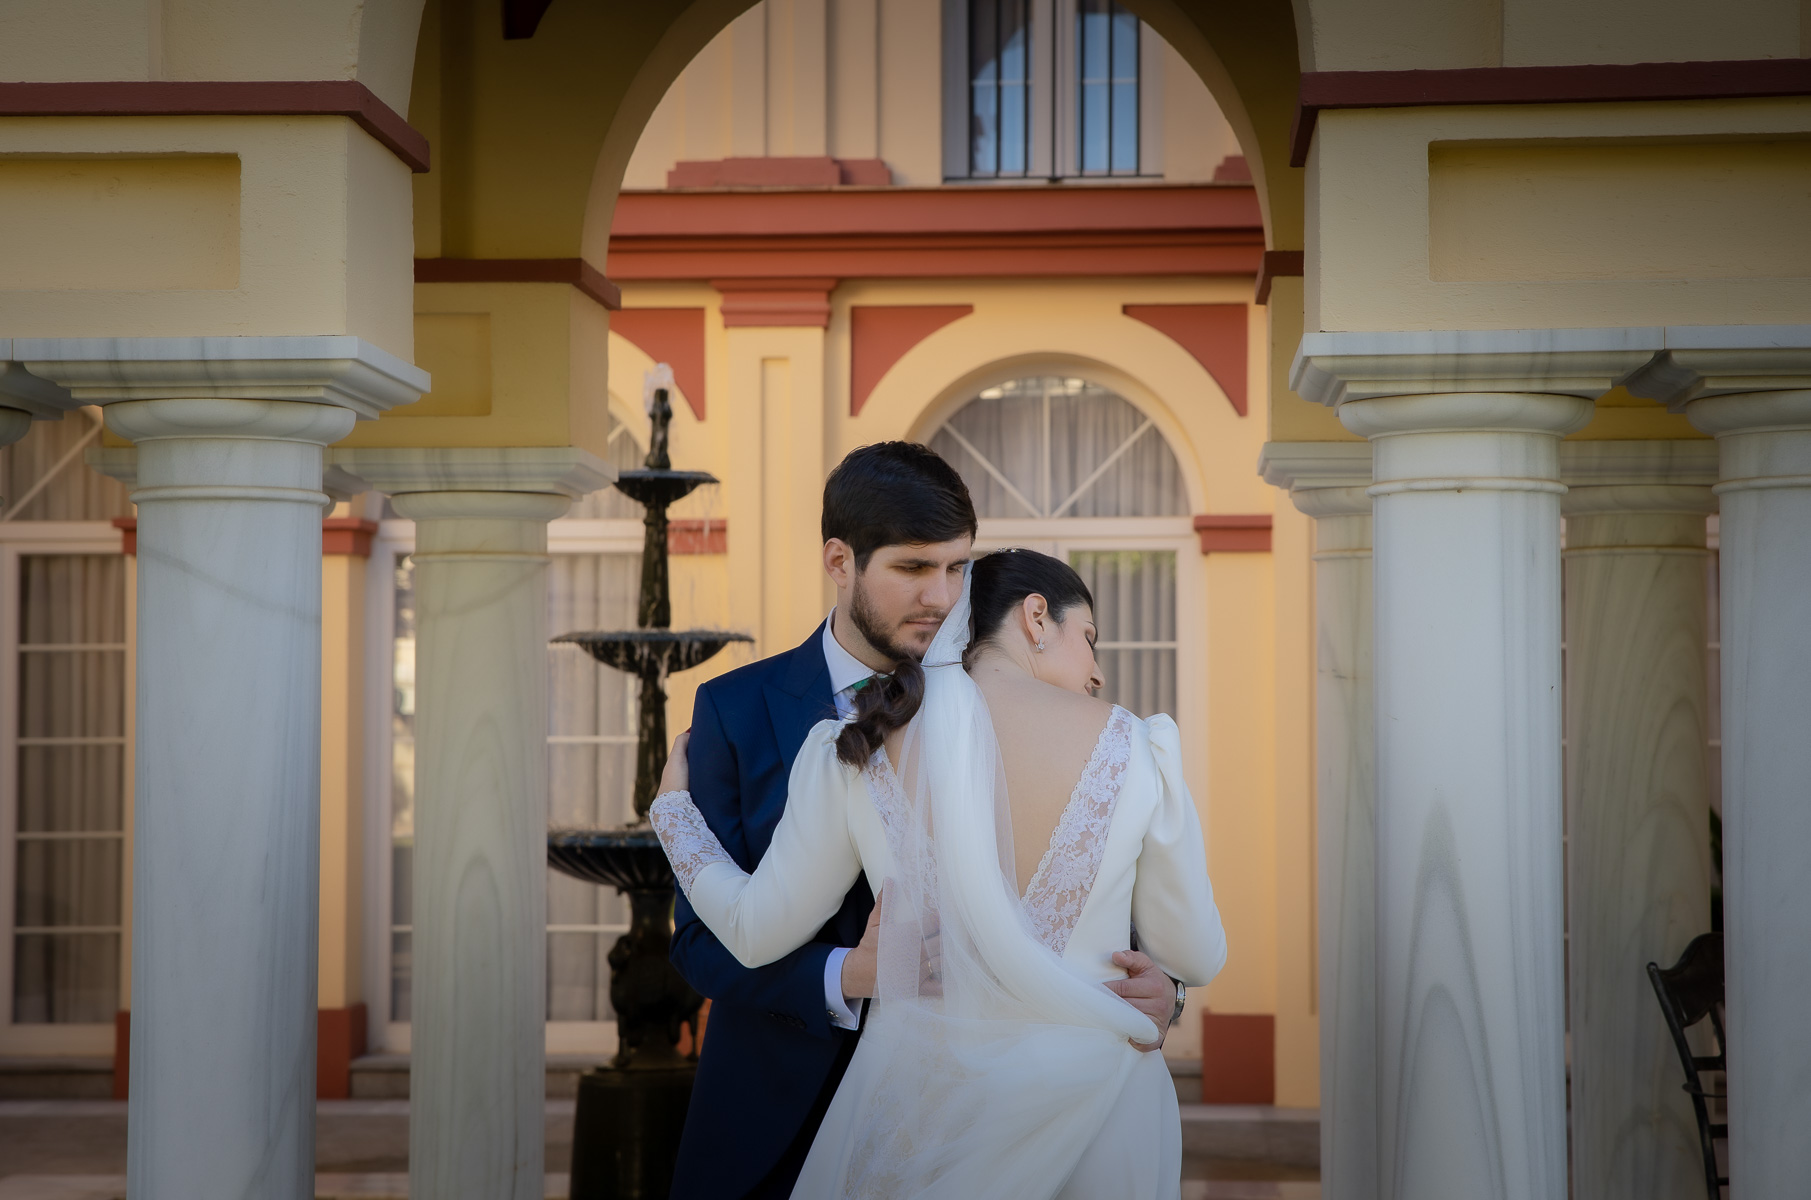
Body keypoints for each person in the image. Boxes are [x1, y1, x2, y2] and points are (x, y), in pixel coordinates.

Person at [666, 443, 1185, 1199]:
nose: (941, 598)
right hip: (777, 1120)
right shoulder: (736, 709)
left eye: (957, 568)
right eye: (912, 569)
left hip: (997, 1127)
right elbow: (696, 942)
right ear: (839, 561)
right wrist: (849, 974)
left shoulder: (1048, 707)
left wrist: (1162, 985)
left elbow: (1109, 896)